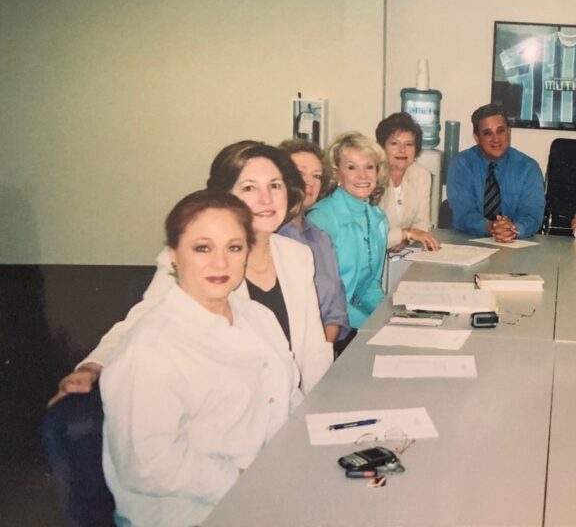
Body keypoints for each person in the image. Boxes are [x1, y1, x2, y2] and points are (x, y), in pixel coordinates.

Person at [51, 141, 333, 403]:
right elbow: (144, 318)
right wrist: (92, 366)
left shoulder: (297, 255)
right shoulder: (203, 259)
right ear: (225, 197)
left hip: (287, 403)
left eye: (275, 185)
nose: (266, 198)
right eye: (248, 188)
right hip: (232, 410)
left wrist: (319, 411)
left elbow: (313, 348)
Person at [101, 189, 301, 527]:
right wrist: (246, 481)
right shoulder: (152, 347)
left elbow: (289, 400)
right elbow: (148, 466)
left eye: (234, 247)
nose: (220, 263)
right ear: (173, 256)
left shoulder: (258, 318)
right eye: (202, 248)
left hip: (266, 496)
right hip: (191, 514)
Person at [307, 132, 389, 329]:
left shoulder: (378, 218)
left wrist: (391, 319)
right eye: (351, 167)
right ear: (336, 174)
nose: (363, 176)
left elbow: (370, 287)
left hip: (354, 324)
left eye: (369, 167)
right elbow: (324, 298)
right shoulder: (321, 219)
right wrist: (373, 327)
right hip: (327, 326)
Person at [278, 139, 351, 344]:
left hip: (324, 351)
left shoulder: (321, 238)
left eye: (316, 176)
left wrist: (324, 350)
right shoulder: (270, 239)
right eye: (300, 174)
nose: (309, 183)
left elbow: (336, 306)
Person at [446, 103, 545, 242]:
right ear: (476, 137)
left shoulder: (528, 168)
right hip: (466, 242)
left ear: (509, 131)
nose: (496, 139)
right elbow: (465, 214)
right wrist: (491, 227)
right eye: (488, 133)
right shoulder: (461, 165)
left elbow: (532, 216)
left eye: (500, 131)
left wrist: (513, 229)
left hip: (514, 244)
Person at [375, 112, 440, 251]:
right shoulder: (371, 177)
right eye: (394, 143)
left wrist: (406, 240)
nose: (402, 150)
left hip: (405, 252)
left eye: (409, 144)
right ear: (382, 147)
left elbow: (422, 223)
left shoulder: (422, 175)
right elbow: (370, 236)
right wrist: (403, 235)